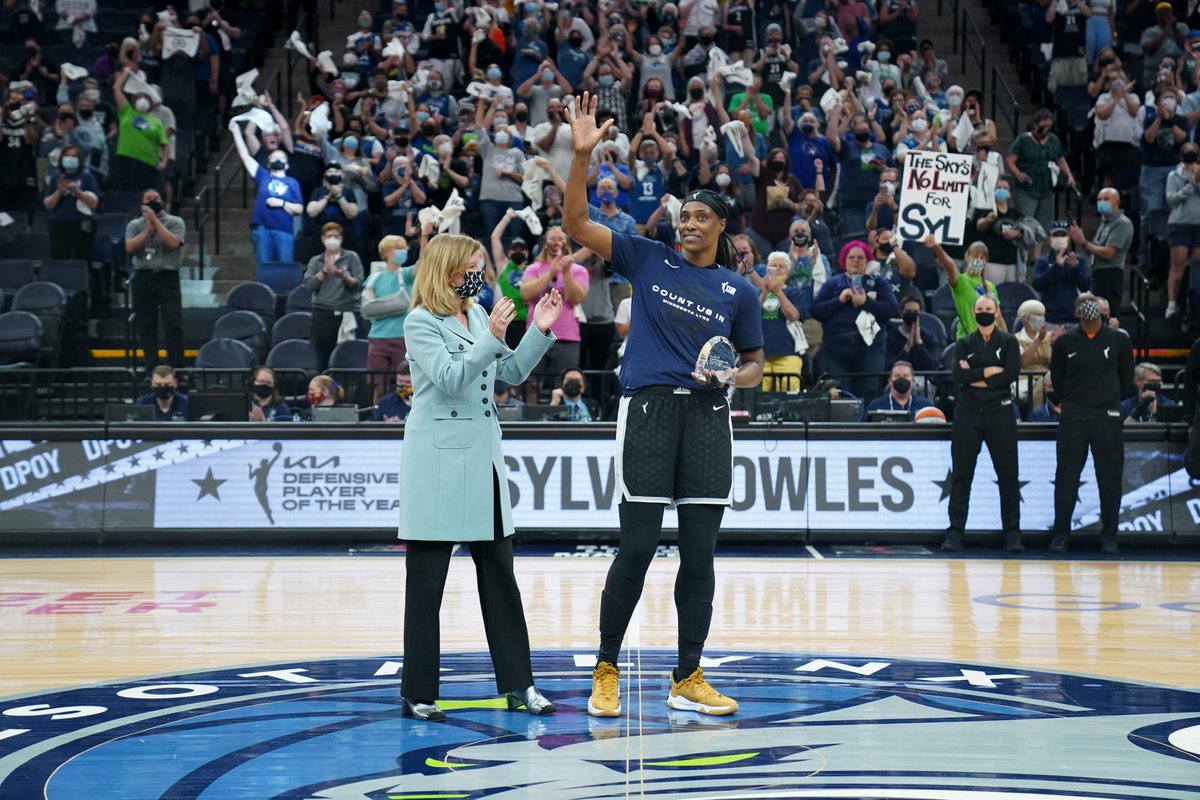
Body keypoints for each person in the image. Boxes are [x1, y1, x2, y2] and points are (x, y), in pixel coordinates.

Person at [563, 93, 764, 719]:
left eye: (702, 217)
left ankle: (687, 675)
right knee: (639, 545)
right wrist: (580, 158)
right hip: (649, 411)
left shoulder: (739, 290)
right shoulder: (647, 257)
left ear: (721, 227)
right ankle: (606, 666)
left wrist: (733, 376)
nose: (689, 223)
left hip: (709, 418)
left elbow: (755, 364)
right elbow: (575, 226)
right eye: (685, 216)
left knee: (700, 553)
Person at [397, 232, 563, 722]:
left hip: (483, 464)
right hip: (438, 466)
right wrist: (491, 336)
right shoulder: (419, 322)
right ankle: (418, 692)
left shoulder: (474, 315)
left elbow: (508, 372)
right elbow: (450, 378)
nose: (480, 273)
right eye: (473, 265)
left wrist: (539, 329)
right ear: (448, 270)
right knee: (426, 588)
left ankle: (520, 685)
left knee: (501, 581)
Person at [1049, 293, 1134, 555]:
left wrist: (1106, 402)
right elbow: (1057, 379)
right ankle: (1061, 534)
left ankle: (1109, 536)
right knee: (1066, 479)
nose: (1089, 307)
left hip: (1106, 418)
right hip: (1073, 417)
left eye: (1093, 303)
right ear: (1075, 312)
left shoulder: (1119, 339)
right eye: (1083, 303)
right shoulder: (1064, 342)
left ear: (1102, 311)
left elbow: (1127, 381)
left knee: (1108, 479)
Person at [943, 294, 1023, 554]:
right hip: (968, 414)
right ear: (974, 312)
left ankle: (1012, 533)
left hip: (1000, 414)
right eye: (980, 308)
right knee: (962, 475)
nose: (985, 312)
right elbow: (960, 375)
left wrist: (976, 376)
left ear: (997, 310)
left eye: (989, 308)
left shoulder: (1009, 341)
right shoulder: (964, 342)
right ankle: (955, 531)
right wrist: (990, 372)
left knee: (1008, 475)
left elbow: (1010, 374)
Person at [810, 240, 899, 401]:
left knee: (869, 389)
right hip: (836, 349)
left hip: (870, 348)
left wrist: (866, 303)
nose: (856, 260)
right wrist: (839, 300)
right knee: (839, 391)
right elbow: (816, 311)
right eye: (851, 257)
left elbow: (892, 309)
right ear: (844, 260)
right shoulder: (833, 283)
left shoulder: (879, 283)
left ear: (868, 261)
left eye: (860, 257)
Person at [125, 187, 185, 374]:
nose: (152, 200)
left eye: (156, 198)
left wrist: (156, 224)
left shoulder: (175, 222)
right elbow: (130, 247)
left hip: (168, 278)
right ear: (142, 203)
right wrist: (147, 229)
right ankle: (152, 369)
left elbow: (174, 243)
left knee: (172, 323)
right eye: (148, 198)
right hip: (143, 277)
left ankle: (177, 369)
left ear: (162, 201)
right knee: (147, 325)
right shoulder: (135, 224)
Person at [229, 118, 305, 265]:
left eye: (281, 157)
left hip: (283, 230)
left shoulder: (292, 182)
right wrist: (236, 132)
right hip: (261, 229)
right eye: (274, 157)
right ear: (269, 163)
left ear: (287, 165)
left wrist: (281, 203)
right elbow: (245, 156)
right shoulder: (263, 175)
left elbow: (299, 208)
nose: (277, 159)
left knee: (284, 268)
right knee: (263, 268)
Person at [303, 222, 364, 370]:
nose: (332, 239)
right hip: (322, 313)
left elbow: (359, 283)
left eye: (335, 236)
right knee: (321, 356)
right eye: (329, 236)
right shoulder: (315, 260)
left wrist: (343, 276)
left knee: (350, 355)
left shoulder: (351, 257)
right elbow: (310, 285)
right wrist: (325, 270)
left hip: (347, 311)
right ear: (322, 239)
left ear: (341, 238)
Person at [362, 235, 415, 402]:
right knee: (379, 385)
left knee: (407, 384)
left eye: (404, 248)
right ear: (386, 252)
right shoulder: (375, 278)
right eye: (398, 248)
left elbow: (424, 262)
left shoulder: (406, 274)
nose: (403, 251)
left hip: (402, 337)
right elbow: (368, 307)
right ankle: (379, 418)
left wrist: (425, 235)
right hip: (378, 338)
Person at [1004, 109, 1074, 233]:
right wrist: (1018, 174)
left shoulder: (1054, 140)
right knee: (1026, 227)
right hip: (1026, 191)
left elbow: (1061, 160)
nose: (1046, 129)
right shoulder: (1023, 140)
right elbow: (1010, 160)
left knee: (1043, 229)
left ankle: (1037, 253)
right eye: (1043, 126)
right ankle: (1025, 252)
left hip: (1047, 190)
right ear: (1035, 125)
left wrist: (1069, 176)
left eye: (1049, 126)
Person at [1068, 187, 1132, 319]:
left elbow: (1109, 253)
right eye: (1099, 199)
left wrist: (1084, 242)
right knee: (1096, 317)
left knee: (1108, 316)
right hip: (1098, 274)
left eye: (1106, 199)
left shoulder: (1122, 223)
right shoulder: (1104, 222)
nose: (1102, 202)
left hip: (1110, 275)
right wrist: (1081, 240)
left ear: (1117, 202)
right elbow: (1094, 251)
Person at [928, 235, 1006, 339]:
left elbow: (999, 317)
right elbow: (950, 265)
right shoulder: (961, 281)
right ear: (966, 256)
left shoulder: (990, 285)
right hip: (968, 343)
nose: (978, 260)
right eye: (975, 256)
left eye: (982, 257)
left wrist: (1007, 344)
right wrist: (937, 247)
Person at [758, 251, 807, 393]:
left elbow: (794, 316)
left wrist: (778, 292)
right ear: (767, 270)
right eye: (774, 266)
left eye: (782, 266)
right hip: (760, 354)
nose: (778, 269)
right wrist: (765, 293)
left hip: (788, 352)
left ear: (788, 271)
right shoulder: (757, 293)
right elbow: (750, 316)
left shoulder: (794, 292)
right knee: (758, 399)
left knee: (788, 398)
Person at [113, 68, 168, 191]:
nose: (143, 99)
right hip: (127, 160)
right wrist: (127, 71)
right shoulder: (127, 112)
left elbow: (164, 144)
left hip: (148, 163)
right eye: (140, 97)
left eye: (146, 97)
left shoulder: (156, 122)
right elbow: (116, 88)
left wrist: (163, 161)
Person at [42, 144, 100, 261]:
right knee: (60, 259)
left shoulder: (87, 178)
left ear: (79, 160)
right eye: (67, 155)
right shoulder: (56, 178)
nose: (70, 158)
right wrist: (59, 190)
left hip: (83, 223)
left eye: (74, 156)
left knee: (83, 258)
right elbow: (48, 204)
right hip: (60, 224)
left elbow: (94, 203)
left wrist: (77, 191)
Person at [1164, 142, 1200, 319]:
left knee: (1196, 266)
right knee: (1177, 266)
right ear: (1181, 157)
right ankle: (1172, 304)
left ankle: (1193, 303)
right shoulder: (1173, 176)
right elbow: (1171, 199)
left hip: (1198, 223)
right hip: (1179, 223)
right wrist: (1189, 186)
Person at [1033, 220, 1092, 324]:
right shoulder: (1043, 261)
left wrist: (1075, 268)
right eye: (1056, 235)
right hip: (1049, 317)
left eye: (1063, 235)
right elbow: (1037, 285)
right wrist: (1055, 267)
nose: (1059, 238)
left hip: (1072, 317)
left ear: (1068, 238)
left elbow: (1085, 286)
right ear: (1049, 238)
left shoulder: (1077, 260)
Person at [885, 294, 942, 371]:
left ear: (921, 313)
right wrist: (907, 348)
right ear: (901, 313)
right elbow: (888, 369)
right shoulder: (891, 337)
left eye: (915, 312)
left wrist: (920, 345)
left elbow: (933, 368)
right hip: (899, 379)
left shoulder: (929, 337)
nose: (912, 314)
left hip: (924, 380)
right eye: (908, 311)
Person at [863, 361, 932, 420]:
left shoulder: (925, 406)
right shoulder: (875, 406)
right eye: (897, 376)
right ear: (890, 381)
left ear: (913, 381)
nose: (901, 378)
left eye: (905, 376)